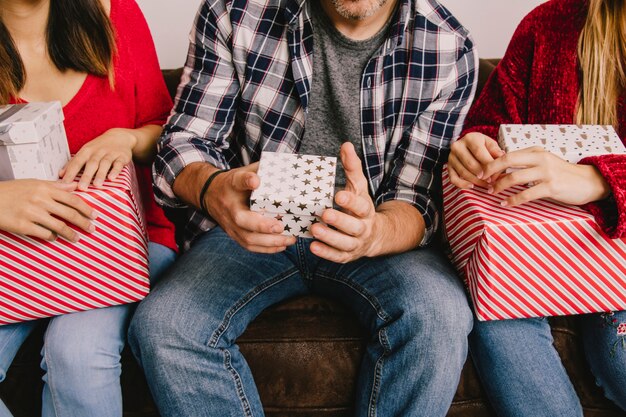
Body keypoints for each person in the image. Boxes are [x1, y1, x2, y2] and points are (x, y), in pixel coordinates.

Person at [127, 0, 477, 415]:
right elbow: (183, 142)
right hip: (249, 231)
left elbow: (417, 200)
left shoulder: (447, 45)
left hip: (377, 238)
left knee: (438, 318)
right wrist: (214, 188)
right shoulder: (233, 12)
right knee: (164, 327)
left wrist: (374, 232)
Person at [447, 0, 626, 415]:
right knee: (498, 318)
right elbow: (490, 128)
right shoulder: (549, 26)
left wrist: (600, 180)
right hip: (534, 253)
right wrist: (477, 148)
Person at [0, 0, 177, 416]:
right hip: (16, 255)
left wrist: (128, 139)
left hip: (123, 245)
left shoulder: (116, 14)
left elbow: (172, 133)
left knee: (76, 353)